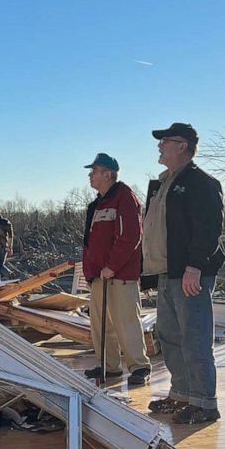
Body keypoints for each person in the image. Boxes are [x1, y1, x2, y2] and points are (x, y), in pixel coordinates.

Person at [140, 123, 225, 424]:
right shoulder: (164, 183)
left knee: (194, 338)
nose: (159, 146)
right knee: (171, 337)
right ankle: (182, 395)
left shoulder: (200, 182)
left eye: (165, 141)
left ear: (182, 146)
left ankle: (205, 402)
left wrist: (195, 266)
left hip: (190, 274)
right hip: (167, 272)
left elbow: (208, 227)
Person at [81, 153, 151, 387]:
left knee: (126, 320)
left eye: (94, 171)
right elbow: (89, 241)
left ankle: (139, 366)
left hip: (119, 275)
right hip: (99, 275)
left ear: (108, 174)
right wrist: (91, 270)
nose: (90, 176)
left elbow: (130, 236)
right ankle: (108, 366)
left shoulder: (124, 197)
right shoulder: (96, 204)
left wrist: (112, 265)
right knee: (101, 323)